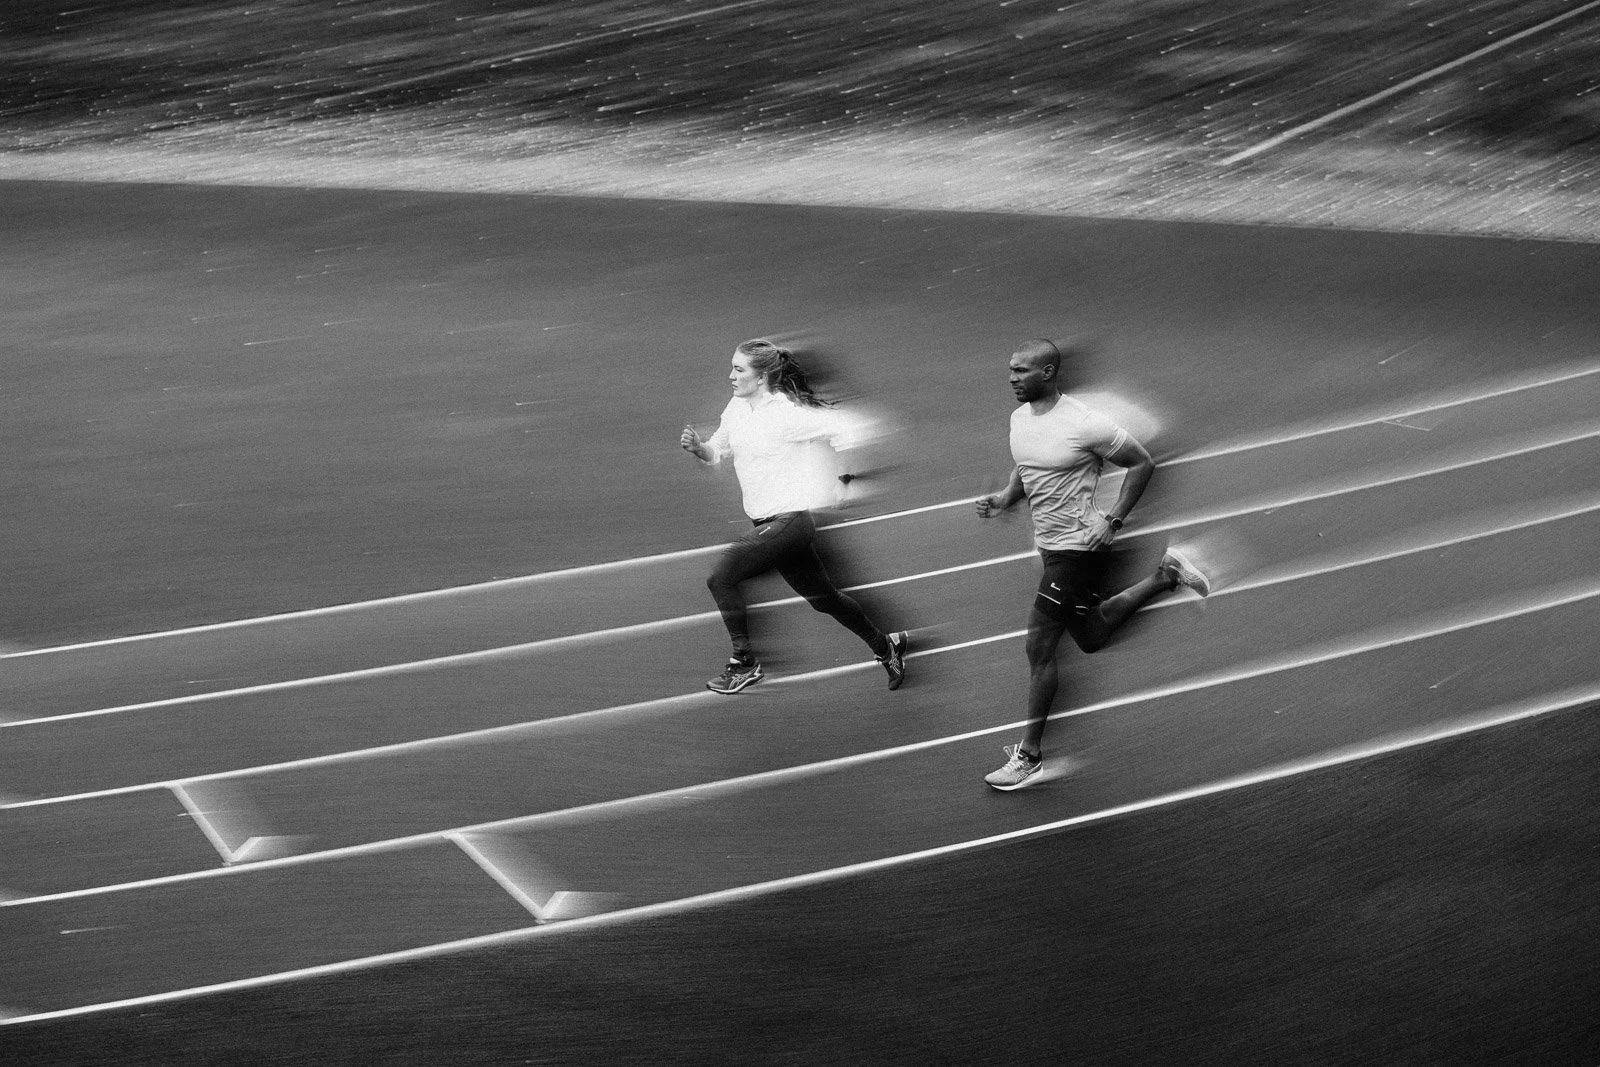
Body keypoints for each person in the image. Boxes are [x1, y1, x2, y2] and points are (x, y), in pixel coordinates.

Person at [975, 338, 1210, 790]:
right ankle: (1167, 575)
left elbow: (1142, 463)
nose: (1011, 378)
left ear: (1047, 373)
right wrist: (1005, 499)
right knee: (1092, 635)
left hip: (1080, 550)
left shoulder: (1086, 424)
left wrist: (1114, 521)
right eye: (1010, 369)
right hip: (1050, 547)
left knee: (1039, 647)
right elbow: (1027, 467)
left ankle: (1029, 756)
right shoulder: (1019, 419)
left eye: (1021, 371)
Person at [680, 338, 908, 695]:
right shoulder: (736, 409)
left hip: (790, 524)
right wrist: (699, 449)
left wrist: (846, 480)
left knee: (722, 577)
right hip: (766, 524)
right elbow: (716, 451)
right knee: (825, 600)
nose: (731, 375)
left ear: (761, 377)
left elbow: (842, 430)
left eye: (739, 369)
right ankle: (886, 647)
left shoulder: (785, 414)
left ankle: (745, 664)